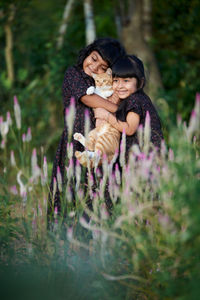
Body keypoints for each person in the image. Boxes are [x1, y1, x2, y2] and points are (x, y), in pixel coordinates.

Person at [49, 38, 126, 215]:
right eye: (93, 58)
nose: (95, 67)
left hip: (102, 144)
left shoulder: (109, 83)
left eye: (103, 67)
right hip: (75, 142)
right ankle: (63, 237)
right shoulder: (74, 74)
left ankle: (98, 239)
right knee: (70, 192)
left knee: (100, 195)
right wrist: (115, 108)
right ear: (88, 52)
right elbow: (86, 98)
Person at [94, 55, 164, 162]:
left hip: (146, 158)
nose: (120, 86)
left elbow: (130, 129)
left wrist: (106, 115)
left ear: (140, 83)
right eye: (116, 81)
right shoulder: (134, 98)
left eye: (126, 81)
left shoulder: (135, 100)